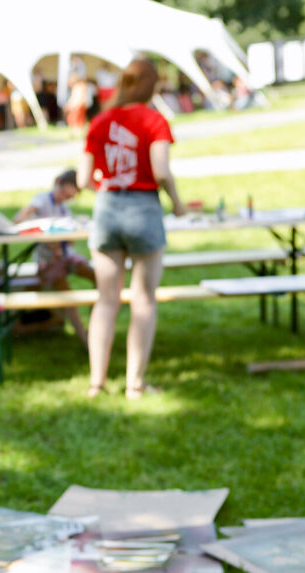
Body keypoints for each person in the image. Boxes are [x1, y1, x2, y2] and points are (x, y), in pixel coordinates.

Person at [77, 58, 184, 400]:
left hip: (107, 206)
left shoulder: (100, 120)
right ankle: (134, 384)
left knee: (105, 300)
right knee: (143, 301)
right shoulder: (154, 120)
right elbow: (162, 170)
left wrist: (109, 192)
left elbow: (82, 179)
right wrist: (178, 204)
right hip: (143, 206)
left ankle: (97, 383)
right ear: (151, 85)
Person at [13, 169, 96, 345]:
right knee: (68, 296)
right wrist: (41, 231)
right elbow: (19, 219)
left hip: (66, 256)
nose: (65, 198)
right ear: (58, 183)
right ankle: (86, 340)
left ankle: (96, 328)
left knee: (98, 277)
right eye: (64, 194)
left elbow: (71, 241)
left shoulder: (64, 209)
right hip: (48, 261)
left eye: (69, 197)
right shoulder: (41, 200)